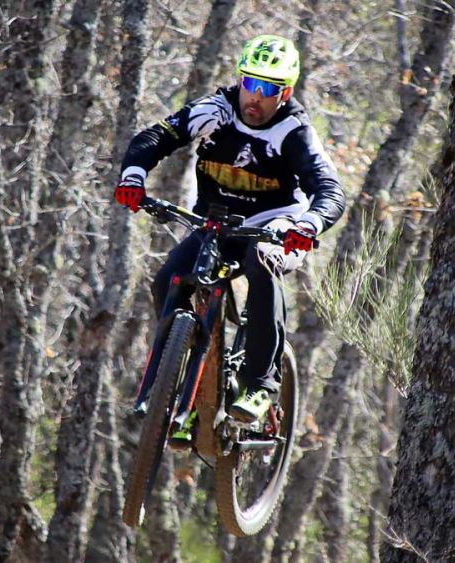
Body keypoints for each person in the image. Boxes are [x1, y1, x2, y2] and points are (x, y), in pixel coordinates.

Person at [114, 35, 345, 440]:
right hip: (216, 224)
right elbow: (156, 136)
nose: (255, 97)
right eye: (249, 83)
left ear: (286, 93)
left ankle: (261, 386)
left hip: (275, 227)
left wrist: (309, 225)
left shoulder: (294, 131)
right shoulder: (217, 110)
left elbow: (330, 190)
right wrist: (134, 176)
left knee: (261, 261)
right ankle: (181, 386)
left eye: (269, 89)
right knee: (168, 279)